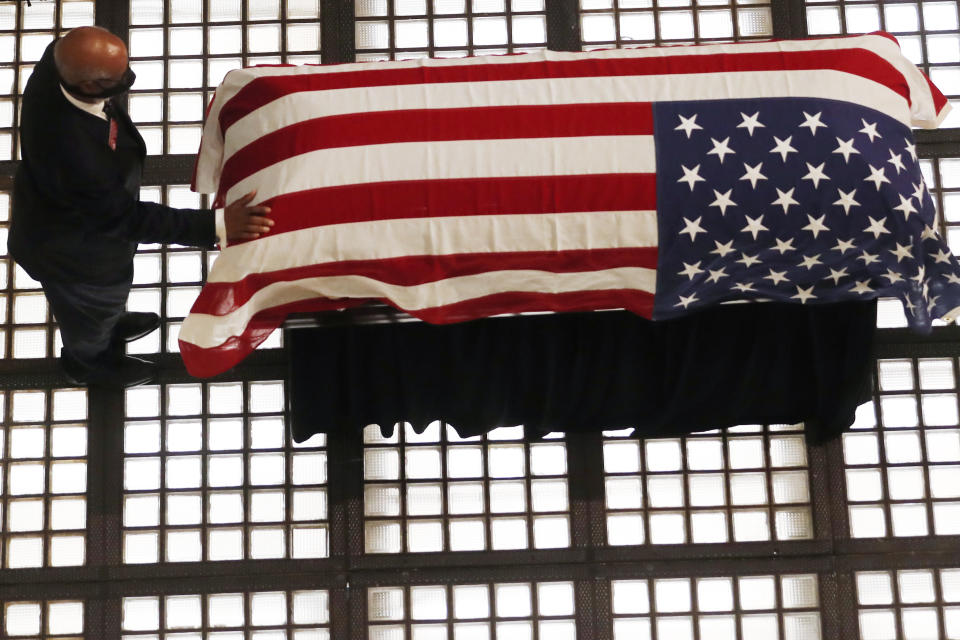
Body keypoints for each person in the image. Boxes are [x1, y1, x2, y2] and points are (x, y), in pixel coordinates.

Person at [10, 26, 273, 387]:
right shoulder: (74, 153)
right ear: (89, 86)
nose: (129, 77)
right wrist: (217, 225)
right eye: (120, 77)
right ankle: (86, 363)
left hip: (72, 213)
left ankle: (111, 323)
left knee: (107, 304)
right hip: (76, 256)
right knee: (88, 317)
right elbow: (126, 219)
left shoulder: (59, 61)